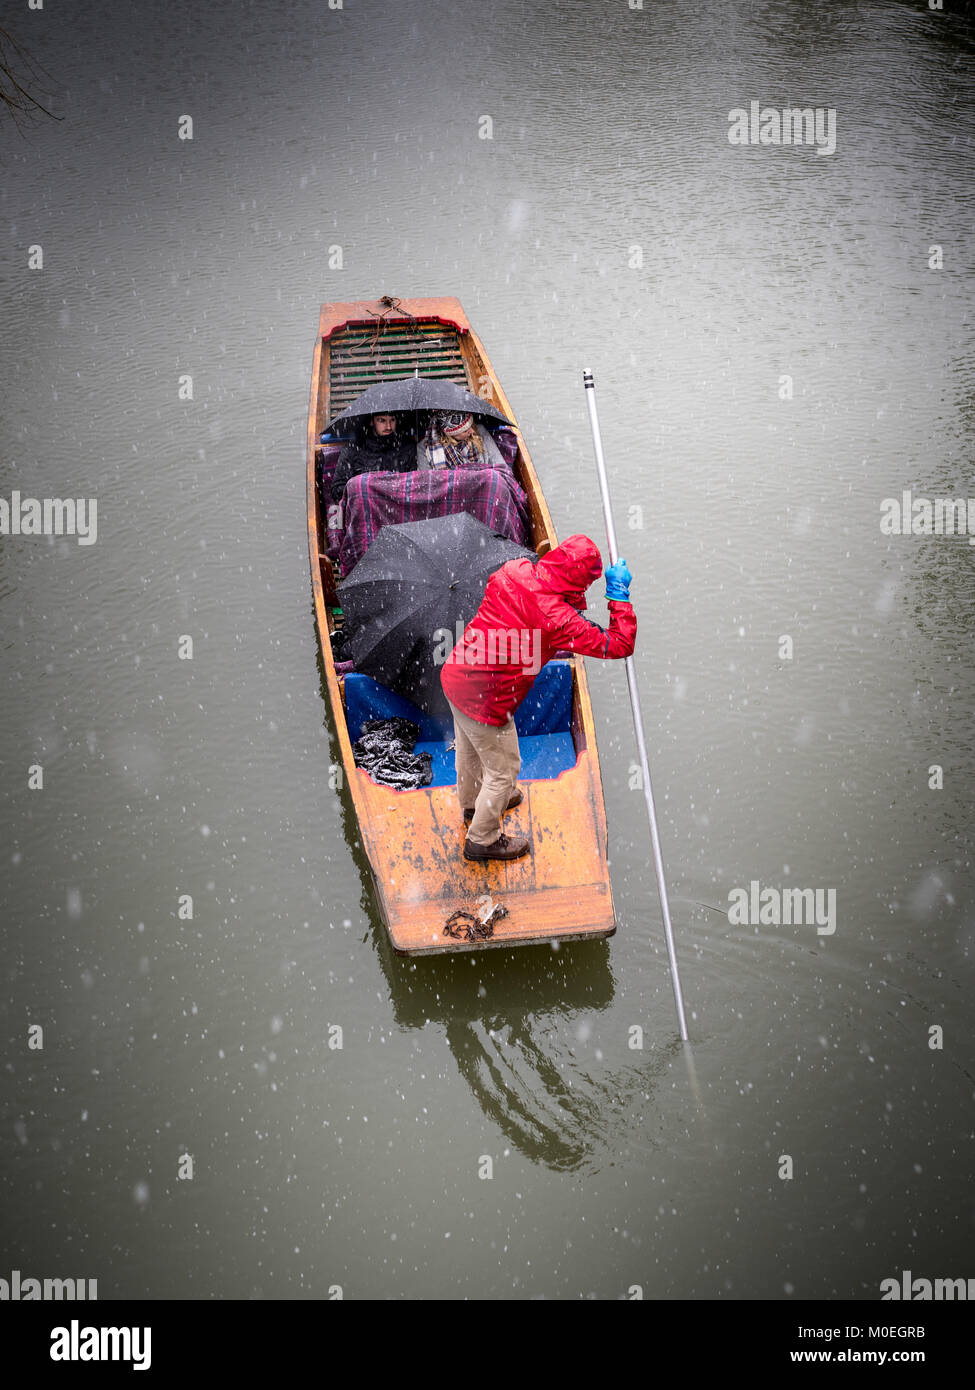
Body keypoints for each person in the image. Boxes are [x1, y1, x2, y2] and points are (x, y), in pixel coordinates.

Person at [440, 534, 636, 862]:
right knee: (504, 770)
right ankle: (482, 839)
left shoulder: (513, 570)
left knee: (470, 751)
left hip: (457, 673)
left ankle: (474, 807)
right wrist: (619, 597)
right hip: (485, 700)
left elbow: (518, 593)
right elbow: (617, 644)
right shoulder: (559, 619)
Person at [329, 413, 417, 503]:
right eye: (382, 420)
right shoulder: (353, 449)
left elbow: (414, 484)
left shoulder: (407, 447)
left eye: (392, 420)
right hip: (364, 508)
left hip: (399, 506)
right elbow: (337, 489)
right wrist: (366, 490)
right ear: (371, 421)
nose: (389, 426)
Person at [419, 411, 508, 472]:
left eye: (471, 425)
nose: (472, 431)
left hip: (485, 483)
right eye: (465, 430)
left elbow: (499, 462)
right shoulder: (424, 447)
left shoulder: (479, 430)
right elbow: (427, 482)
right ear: (451, 434)